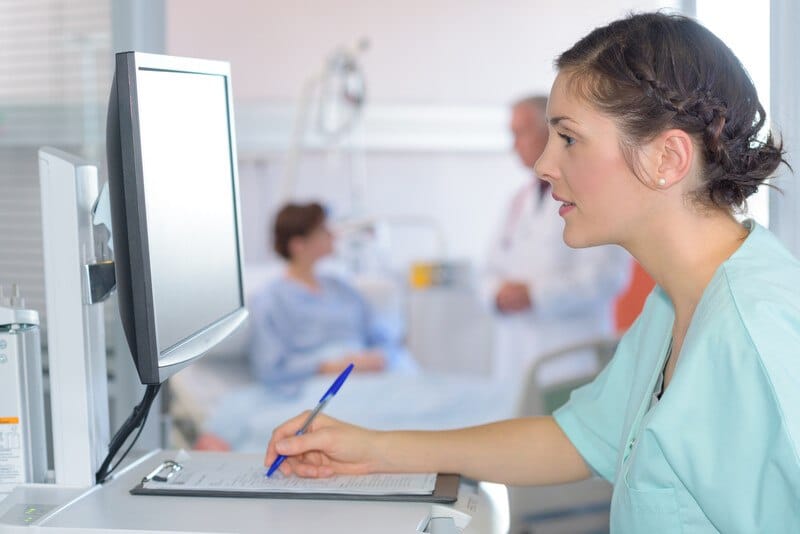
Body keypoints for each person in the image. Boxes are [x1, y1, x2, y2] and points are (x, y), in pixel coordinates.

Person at [263, 13, 800, 532]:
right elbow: (575, 440)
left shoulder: (759, 334)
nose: (544, 165)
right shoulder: (675, 305)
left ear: (667, 158)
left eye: (568, 138)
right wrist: (371, 450)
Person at [483, 95, 631, 382]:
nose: (514, 145)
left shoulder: (596, 196)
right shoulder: (517, 202)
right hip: (518, 355)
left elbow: (606, 277)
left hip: (571, 358)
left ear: (551, 132)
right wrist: (496, 295)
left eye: (520, 133)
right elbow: (489, 268)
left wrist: (536, 295)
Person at [249, 202, 416, 386]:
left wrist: (379, 357)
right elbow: (270, 367)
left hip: (373, 376)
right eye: (322, 230)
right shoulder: (271, 300)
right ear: (298, 244)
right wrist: (328, 366)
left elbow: (383, 337)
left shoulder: (342, 288)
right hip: (320, 386)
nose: (333, 235)